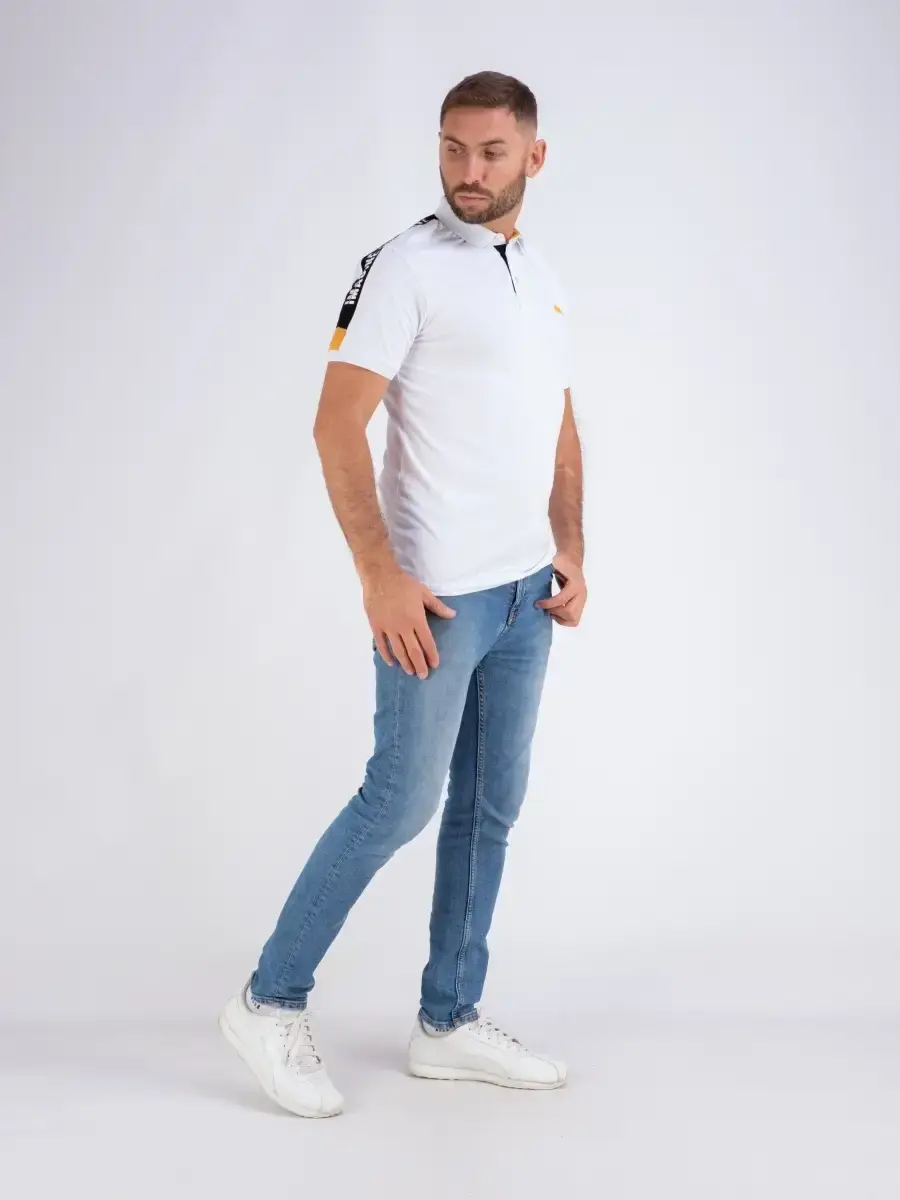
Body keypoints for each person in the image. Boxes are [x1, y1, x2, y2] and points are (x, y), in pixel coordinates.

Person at [218, 70, 586, 1118]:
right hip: (438, 600)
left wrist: (569, 544)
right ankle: (268, 999)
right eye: (453, 148)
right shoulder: (403, 268)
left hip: (524, 593)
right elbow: (337, 424)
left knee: (488, 809)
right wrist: (379, 575)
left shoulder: (540, 273)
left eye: (492, 152)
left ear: (534, 157)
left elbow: (559, 417)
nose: (468, 171)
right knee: (400, 801)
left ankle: (449, 1020)